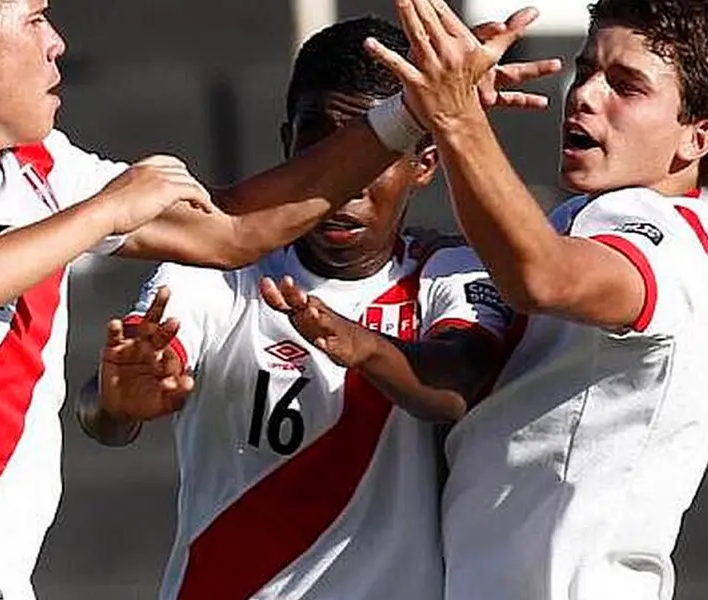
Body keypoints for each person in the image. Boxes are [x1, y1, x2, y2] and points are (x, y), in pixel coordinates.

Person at [0, 0, 551, 598]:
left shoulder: (40, 169)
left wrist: (418, 112)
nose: (56, 43)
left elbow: (234, 229)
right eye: (34, 19)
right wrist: (103, 214)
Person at [79, 17, 526, 600]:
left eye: (375, 157)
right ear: (289, 145)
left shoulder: (446, 273)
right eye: (323, 150)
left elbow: (456, 386)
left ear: (424, 162)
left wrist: (364, 346)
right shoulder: (218, 273)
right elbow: (104, 410)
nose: (347, 186)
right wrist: (115, 403)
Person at [358, 0, 708, 598]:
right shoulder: (579, 219)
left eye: (626, 86)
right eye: (586, 69)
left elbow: (541, 276)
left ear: (697, 138)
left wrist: (457, 118)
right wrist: (426, 115)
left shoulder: (673, 246)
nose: (585, 95)